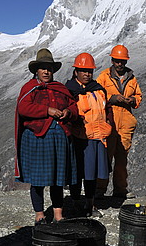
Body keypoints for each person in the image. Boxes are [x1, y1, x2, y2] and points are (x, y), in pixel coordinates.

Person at [15, 48, 78, 224]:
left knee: (57, 180)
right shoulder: (30, 89)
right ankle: (40, 214)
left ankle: (58, 215)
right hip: (37, 139)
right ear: (37, 70)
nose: (46, 71)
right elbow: (23, 108)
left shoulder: (60, 89)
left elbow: (74, 107)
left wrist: (68, 112)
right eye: (42, 68)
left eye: (49, 68)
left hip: (60, 139)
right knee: (38, 179)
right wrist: (47, 110)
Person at [65, 53, 112, 217]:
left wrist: (109, 123)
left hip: (98, 137)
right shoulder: (70, 90)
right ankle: (76, 202)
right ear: (76, 71)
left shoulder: (98, 90)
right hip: (79, 138)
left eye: (89, 71)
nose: (86, 74)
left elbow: (107, 109)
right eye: (83, 71)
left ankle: (90, 204)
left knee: (92, 175)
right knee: (77, 173)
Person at [95, 44, 142, 199]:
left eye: (122, 61)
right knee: (105, 157)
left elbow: (139, 96)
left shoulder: (132, 78)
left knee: (122, 158)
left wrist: (132, 100)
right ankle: (100, 190)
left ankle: (120, 189)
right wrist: (113, 98)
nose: (120, 64)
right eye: (117, 60)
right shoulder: (103, 76)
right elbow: (96, 95)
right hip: (109, 120)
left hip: (126, 121)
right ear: (112, 60)